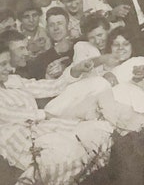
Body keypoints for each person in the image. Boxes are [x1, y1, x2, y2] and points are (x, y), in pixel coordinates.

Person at [0, 43, 115, 184]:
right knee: (69, 152)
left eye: (7, 63)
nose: (8, 68)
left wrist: (76, 70)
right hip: (18, 138)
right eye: (2, 64)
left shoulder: (13, 81)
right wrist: (44, 115)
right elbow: (9, 115)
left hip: (42, 126)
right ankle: (33, 175)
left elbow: (51, 87)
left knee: (97, 134)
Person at [25, 7, 74, 80]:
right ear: (47, 29)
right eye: (51, 25)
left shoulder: (80, 45)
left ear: (68, 25)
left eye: (59, 23)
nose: (56, 28)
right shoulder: (41, 60)